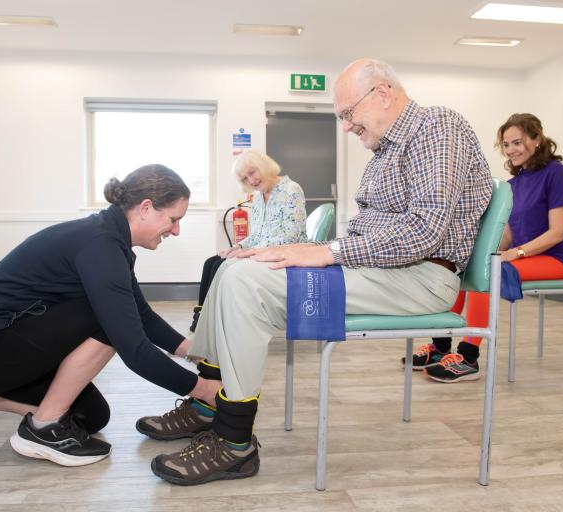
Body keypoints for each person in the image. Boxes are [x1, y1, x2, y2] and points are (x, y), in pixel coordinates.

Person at [135, 58, 493, 486]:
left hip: (421, 278)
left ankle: (234, 442)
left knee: (245, 284)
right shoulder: (385, 151)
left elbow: (424, 232)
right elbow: (370, 236)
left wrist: (329, 252)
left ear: (381, 94)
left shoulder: (437, 128)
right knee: (233, 268)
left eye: (347, 114)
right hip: (388, 270)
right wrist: (304, 249)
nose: (345, 127)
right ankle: (209, 400)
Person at [0, 164, 221, 467]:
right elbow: (134, 349)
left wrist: (193, 352)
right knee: (108, 317)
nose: (176, 230)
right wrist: (207, 391)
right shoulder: (100, 245)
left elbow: (141, 314)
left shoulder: (110, 240)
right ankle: (42, 427)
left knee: (91, 417)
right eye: (173, 219)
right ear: (146, 208)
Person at [410, 113, 563, 383]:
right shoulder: (514, 183)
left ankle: (468, 357)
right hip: (521, 256)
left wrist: (513, 254)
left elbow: (557, 233)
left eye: (517, 142)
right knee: (467, 269)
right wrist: (481, 256)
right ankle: (441, 348)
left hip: (555, 259)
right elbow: (508, 232)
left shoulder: (557, 174)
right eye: (506, 144)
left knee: (490, 273)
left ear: (536, 140)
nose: (511, 150)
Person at [191, 149, 308, 331]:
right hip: (263, 251)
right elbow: (257, 234)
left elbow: (290, 235)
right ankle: (202, 316)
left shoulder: (291, 190)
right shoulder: (258, 197)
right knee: (211, 263)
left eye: (252, 173)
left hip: (285, 255)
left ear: (263, 166)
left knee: (221, 267)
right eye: (245, 179)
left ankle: (210, 320)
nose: (251, 181)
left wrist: (249, 252)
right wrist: (237, 247)